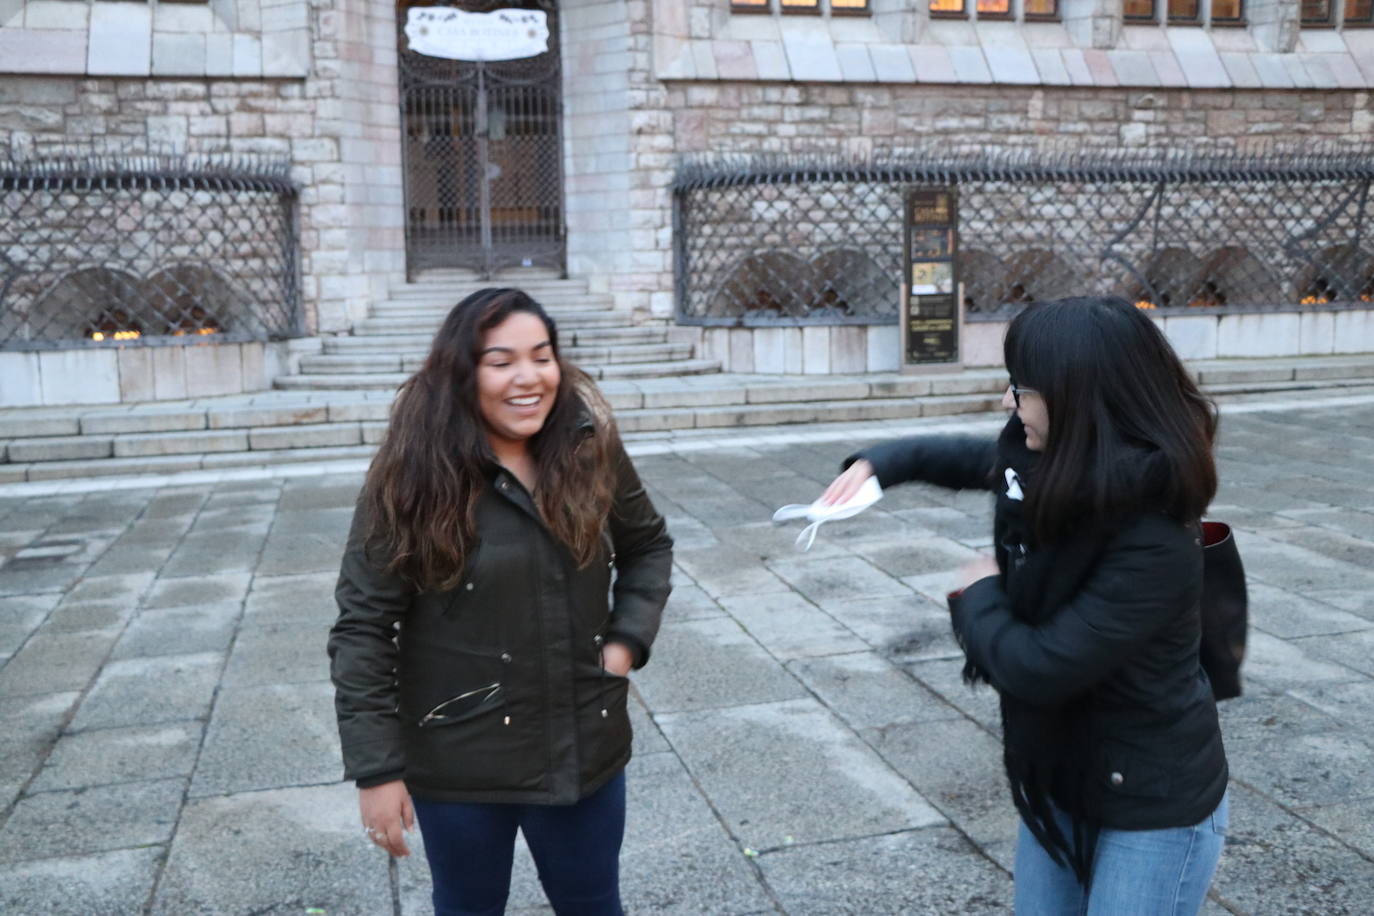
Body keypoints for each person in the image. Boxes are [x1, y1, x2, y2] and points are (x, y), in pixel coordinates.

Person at [822, 296, 1228, 915]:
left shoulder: (1151, 529)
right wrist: (884, 463)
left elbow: (1040, 665)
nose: (1008, 404)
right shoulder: (1055, 464)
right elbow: (977, 461)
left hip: (1152, 802)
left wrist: (977, 594)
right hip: (1061, 777)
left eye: (1022, 389)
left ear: (1079, 398)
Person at [327, 288, 673, 916]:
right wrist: (376, 771)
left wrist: (622, 647)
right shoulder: (409, 476)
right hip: (459, 762)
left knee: (594, 903)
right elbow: (363, 628)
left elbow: (647, 545)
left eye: (542, 357)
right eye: (501, 361)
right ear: (463, 373)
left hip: (583, 749)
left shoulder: (587, 446)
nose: (529, 377)